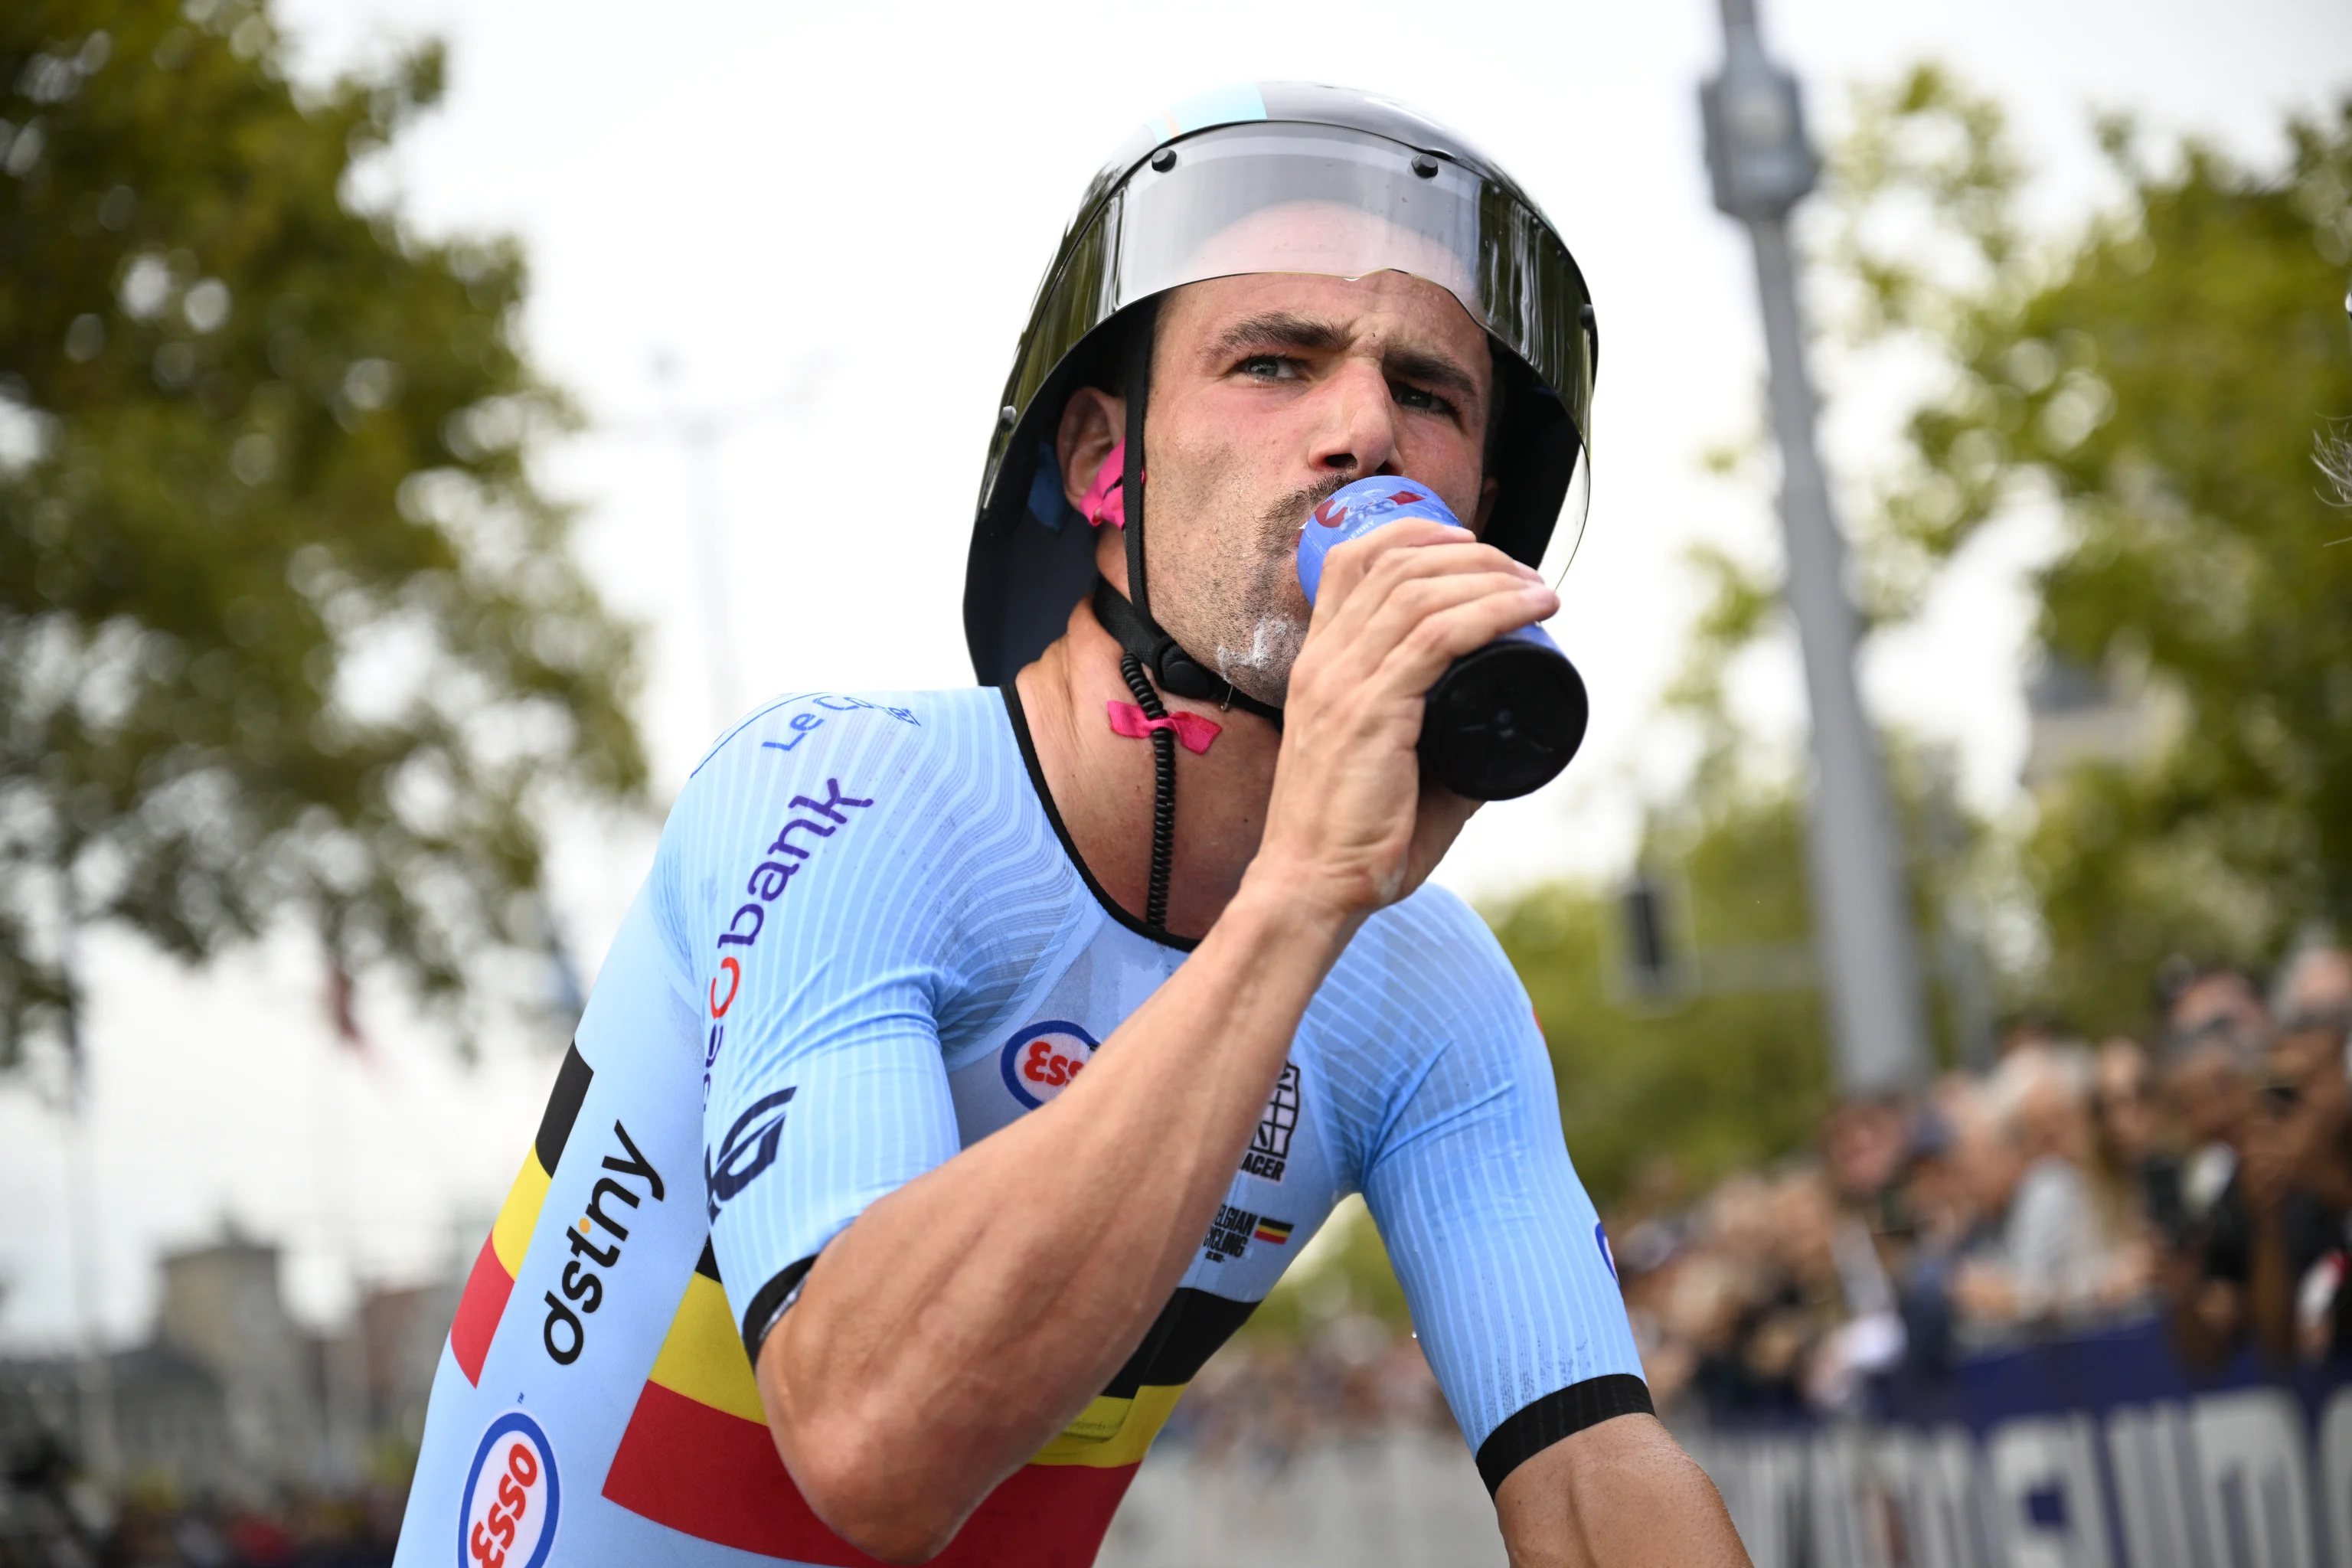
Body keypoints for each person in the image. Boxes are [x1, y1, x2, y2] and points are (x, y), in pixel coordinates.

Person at [391, 84, 1746, 1567]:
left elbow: (1592, 1480)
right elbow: (872, 1445)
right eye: (1276, 362)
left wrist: (1319, 902)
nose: (1364, 425)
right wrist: (1298, 893)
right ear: (1104, 462)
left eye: (1429, 393)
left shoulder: (1428, 993)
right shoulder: (840, 799)